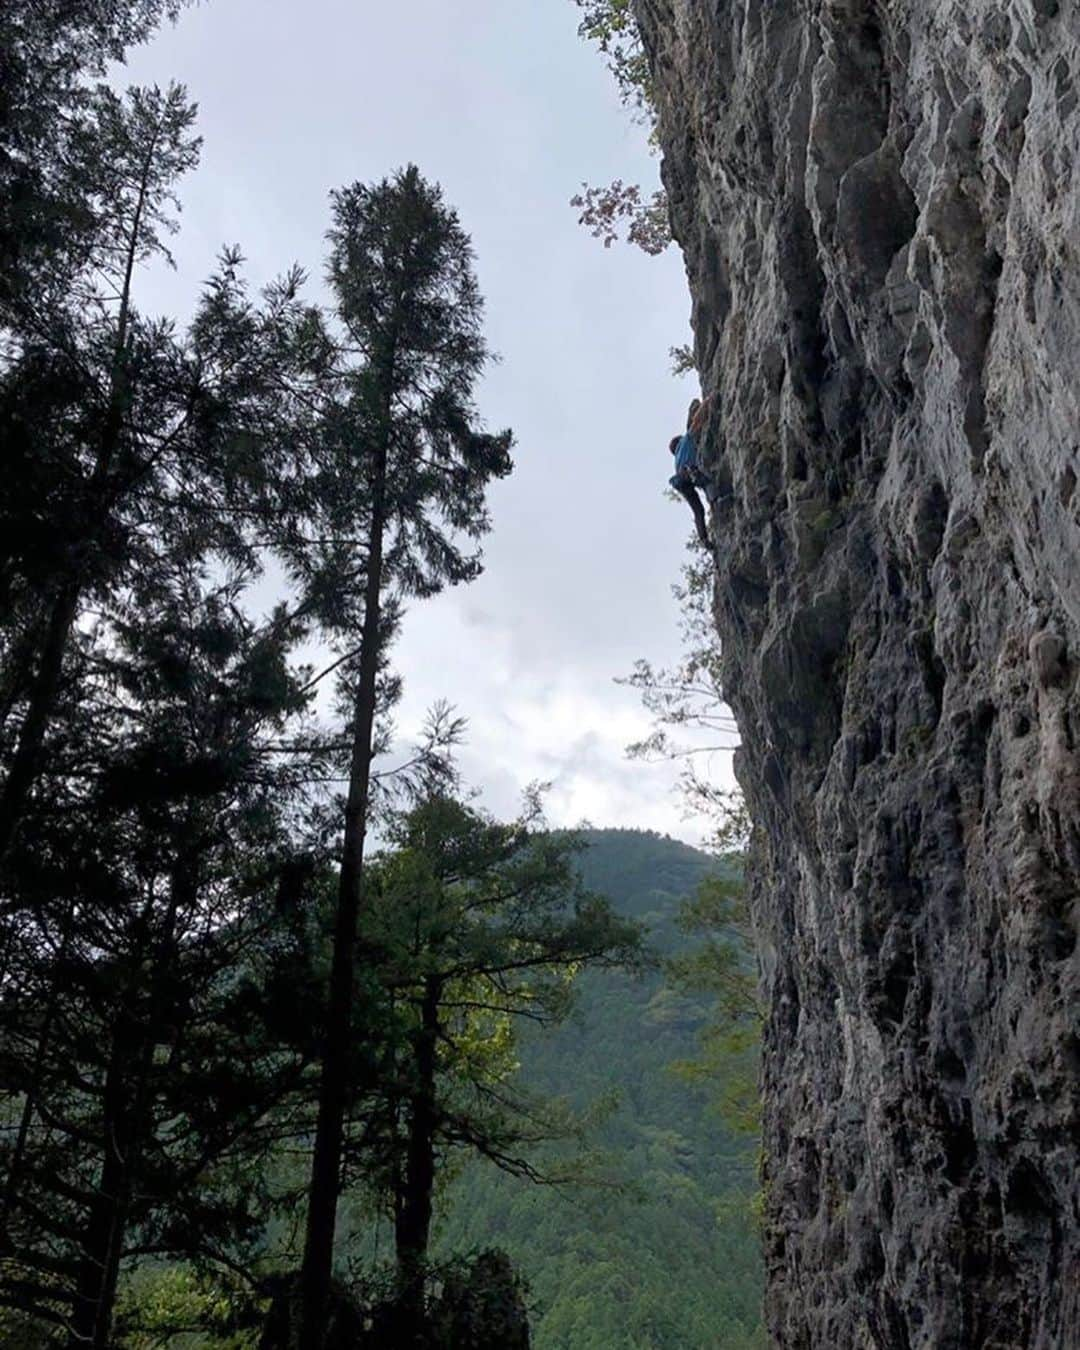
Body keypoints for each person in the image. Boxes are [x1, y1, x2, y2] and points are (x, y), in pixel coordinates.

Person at [668, 394, 713, 547]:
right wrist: (706, 403)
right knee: (699, 477)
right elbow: (696, 422)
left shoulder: (677, 459)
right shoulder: (685, 441)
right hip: (686, 474)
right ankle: (700, 478)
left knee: (698, 510)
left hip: (680, 481)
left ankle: (704, 539)